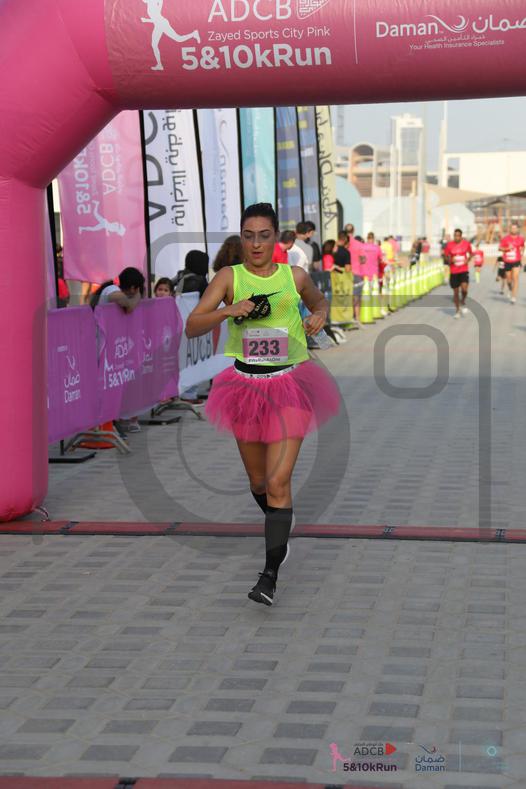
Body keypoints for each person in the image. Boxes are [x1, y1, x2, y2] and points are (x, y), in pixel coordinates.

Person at [186, 203, 340, 607]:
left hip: (291, 384)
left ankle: (269, 575)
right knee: (259, 483)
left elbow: (320, 302)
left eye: (264, 235)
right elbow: (192, 326)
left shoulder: (295, 276)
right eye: (248, 236)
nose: (256, 244)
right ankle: (280, 522)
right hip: (245, 388)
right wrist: (228, 309)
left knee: (277, 481)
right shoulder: (228, 277)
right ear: (241, 238)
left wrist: (319, 316)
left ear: (276, 238)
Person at [90, 267, 145, 432]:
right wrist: (138, 295)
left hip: (112, 348)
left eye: (137, 288)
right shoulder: (111, 290)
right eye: (133, 288)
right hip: (101, 347)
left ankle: (113, 421)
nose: (133, 291)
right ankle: (103, 423)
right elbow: (128, 305)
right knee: (104, 386)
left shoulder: (115, 290)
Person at [173, 250, 210, 405]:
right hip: (194, 323)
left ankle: (184, 392)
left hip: (178, 322)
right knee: (194, 357)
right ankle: (189, 393)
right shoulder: (199, 281)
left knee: (183, 358)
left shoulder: (180, 276)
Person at [444, 228, 472, 318]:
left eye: (458, 236)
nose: (456, 237)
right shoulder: (449, 245)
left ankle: (463, 300)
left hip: (463, 270)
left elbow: (471, 254)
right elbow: (445, 256)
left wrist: (467, 260)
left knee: (464, 289)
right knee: (456, 292)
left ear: (461, 236)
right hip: (454, 271)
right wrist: (450, 260)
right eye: (455, 236)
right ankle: (457, 310)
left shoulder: (466, 244)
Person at [499, 222, 525, 304]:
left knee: (515, 278)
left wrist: (521, 253)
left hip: (516, 260)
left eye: (515, 228)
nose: (514, 229)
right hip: (507, 261)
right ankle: (510, 288)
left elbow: (523, 246)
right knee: (509, 280)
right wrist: (507, 249)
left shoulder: (521, 239)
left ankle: (513, 297)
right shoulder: (505, 239)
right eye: (512, 228)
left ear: (517, 229)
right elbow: (500, 248)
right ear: (510, 229)